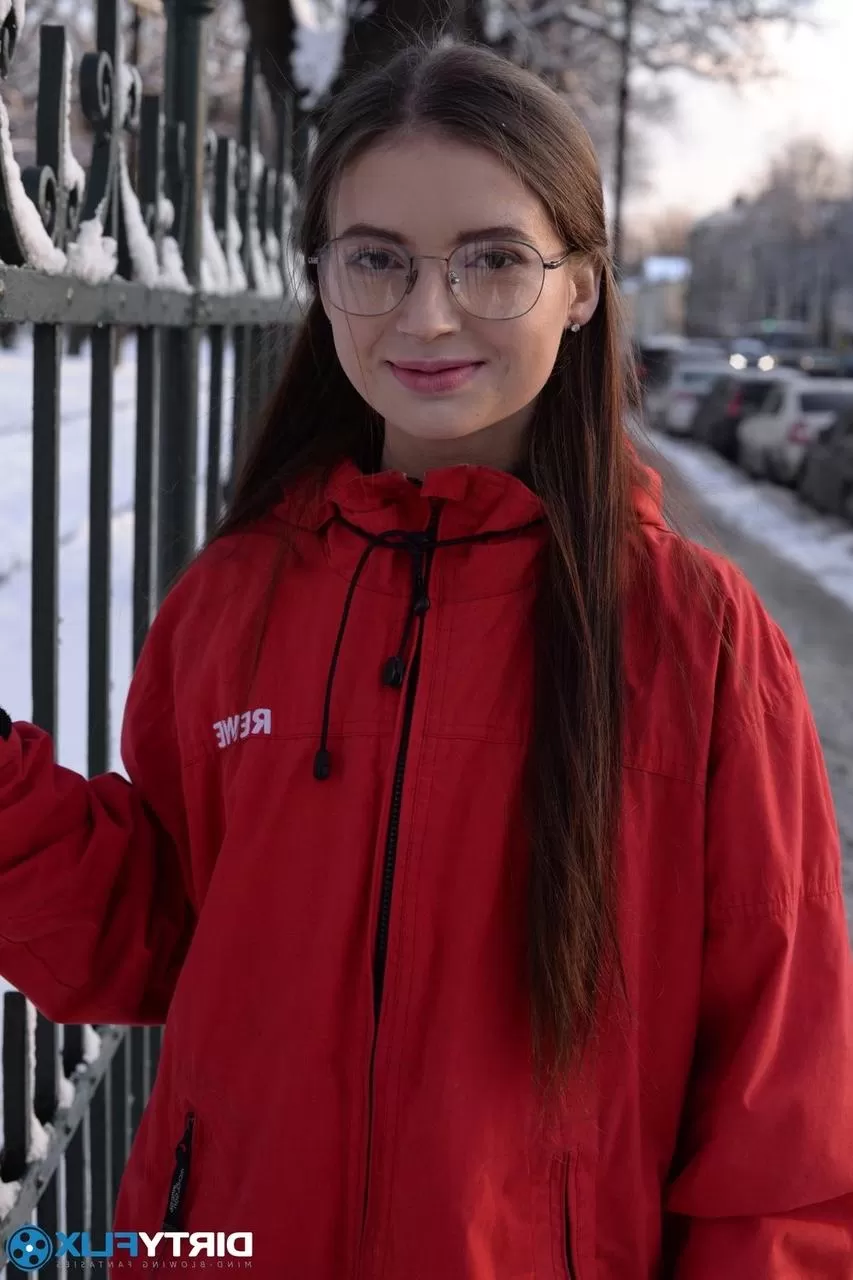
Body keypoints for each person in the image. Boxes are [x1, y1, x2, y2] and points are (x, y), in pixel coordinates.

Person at [1, 39, 851, 1279]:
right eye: (377, 258)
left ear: (581, 286)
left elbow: (779, 1123)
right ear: (322, 276)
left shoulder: (698, 640)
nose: (428, 312)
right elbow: (160, 929)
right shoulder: (235, 596)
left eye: (494, 259)